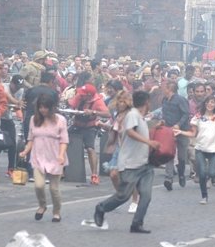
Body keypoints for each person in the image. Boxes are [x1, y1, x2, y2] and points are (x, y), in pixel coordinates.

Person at [93, 91, 160, 233]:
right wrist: (149, 142)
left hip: (144, 163)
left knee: (146, 195)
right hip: (130, 163)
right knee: (123, 195)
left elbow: (140, 131)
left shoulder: (140, 117)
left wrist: (156, 127)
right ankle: (101, 207)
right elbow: (130, 132)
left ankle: (137, 223)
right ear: (147, 102)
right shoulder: (133, 115)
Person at [18, 94, 68, 222]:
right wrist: (25, 151)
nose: (43, 110)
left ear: (51, 108)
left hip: (55, 156)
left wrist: (61, 155)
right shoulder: (34, 119)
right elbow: (30, 139)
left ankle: (56, 212)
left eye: (45, 107)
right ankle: (42, 205)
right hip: (38, 156)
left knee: (54, 188)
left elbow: (64, 140)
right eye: (40, 107)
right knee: (39, 185)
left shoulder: (60, 120)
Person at [178, 96, 215, 204]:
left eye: (212, 103)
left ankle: (214, 176)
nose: (210, 105)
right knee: (201, 173)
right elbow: (193, 133)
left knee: (211, 171)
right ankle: (204, 196)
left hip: (214, 149)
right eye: (208, 102)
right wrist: (181, 132)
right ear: (205, 104)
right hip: (200, 148)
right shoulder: (198, 117)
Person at [68, 81, 111, 185]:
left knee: (90, 148)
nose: (80, 95)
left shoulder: (98, 101)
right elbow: (72, 105)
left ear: (89, 95)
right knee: (64, 142)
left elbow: (107, 114)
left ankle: (94, 175)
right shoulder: (79, 96)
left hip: (90, 126)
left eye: (83, 94)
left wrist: (94, 112)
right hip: (77, 124)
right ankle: (64, 170)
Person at [160, 80, 191, 190]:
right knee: (169, 153)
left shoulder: (180, 100)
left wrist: (178, 124)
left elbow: (186, 113)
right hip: (169, 130)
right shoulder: (164, 100)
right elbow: (164, 113)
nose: (162, 89)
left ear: (169, 89)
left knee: (182, 156)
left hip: (181, 130)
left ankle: (181, 173)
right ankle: (168, 178)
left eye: (164, 87)